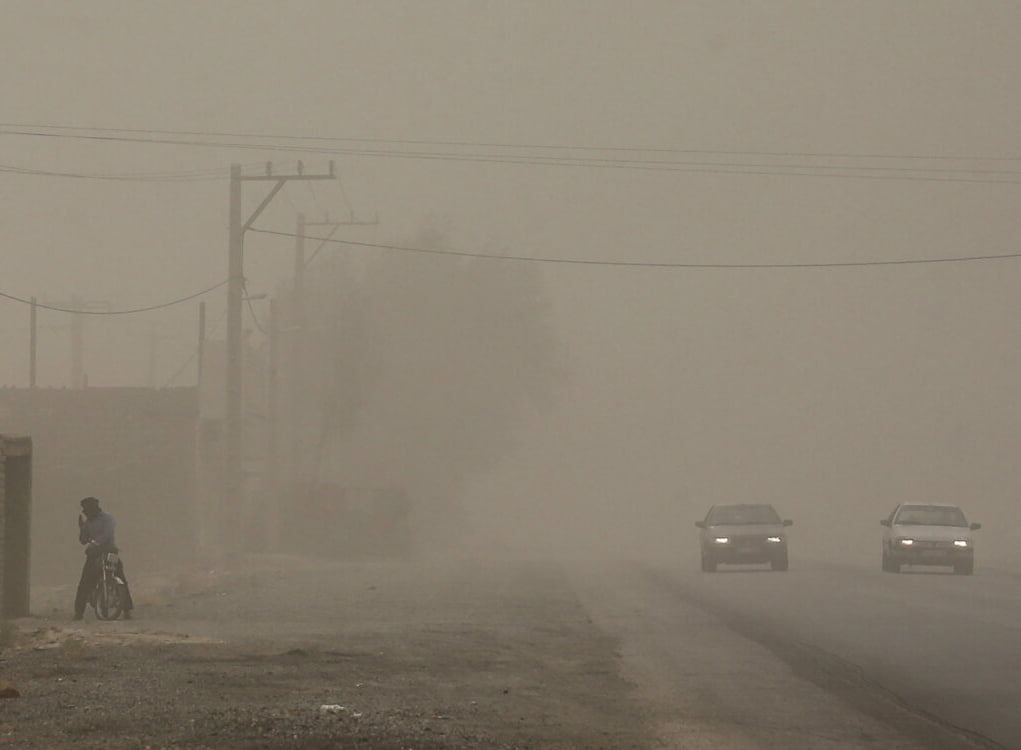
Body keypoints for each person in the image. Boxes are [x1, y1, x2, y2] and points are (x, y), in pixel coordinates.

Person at [73, 496, 134, 620]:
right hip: (94, 554)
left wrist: (96, 543)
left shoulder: (108, 519)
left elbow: (108, 534)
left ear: (95, 507)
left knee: (120, 577)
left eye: (88, 508)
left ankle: (127, 609)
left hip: (109, 552)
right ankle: (78, 612)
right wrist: (81, 529)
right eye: (85, 509)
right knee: (85, 582)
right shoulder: (87, 522)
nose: (86, 511)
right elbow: (83, 540)